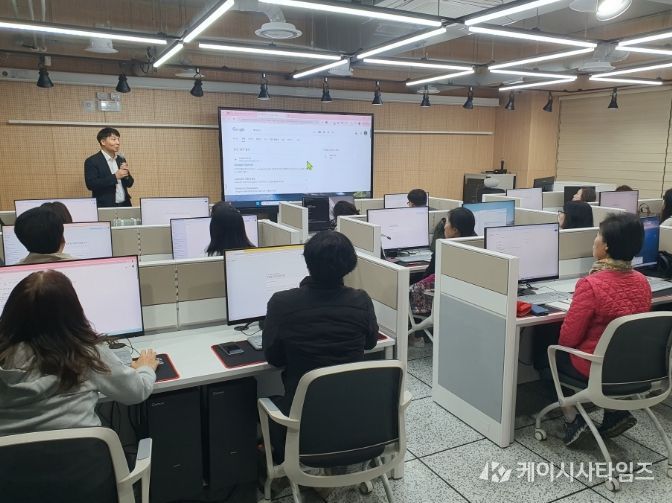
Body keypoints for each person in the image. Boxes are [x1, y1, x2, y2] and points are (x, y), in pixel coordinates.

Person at [263, 231, 378, 462]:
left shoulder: (282, 303)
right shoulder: (361, 300)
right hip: (354, 418)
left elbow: (274, 358)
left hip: (303, 425)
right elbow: (371, 342)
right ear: (350, 265)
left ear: (308, 262)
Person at [0, 270, 158, 436]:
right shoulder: (85, 355)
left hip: (11, 453)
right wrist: (145, 368)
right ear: (72, 313)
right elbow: (136, 392)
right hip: (81, 453)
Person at [558, 213, 651, 446]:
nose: (595, 240)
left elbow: (568, 339)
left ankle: (571, 416)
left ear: (607, 245)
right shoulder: (642, 281)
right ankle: (614, 412)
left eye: (598, 235)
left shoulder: (591, 284)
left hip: (596, 367)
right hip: (632, 366)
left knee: (547, 346)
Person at [409, 208, 477, 345]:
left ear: (455, 230)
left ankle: (413, 337)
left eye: (447, 222)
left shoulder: (443, 251)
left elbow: (427, 277)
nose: (444, 225)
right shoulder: (478, 248)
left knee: (406, 284)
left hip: (439, 300)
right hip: (466, 303)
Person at [84, 127, 134, 207]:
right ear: (103, 142)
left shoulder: (120, 159)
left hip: (125, 204)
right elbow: (91, 184)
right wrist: (115, 177)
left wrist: (126, 175)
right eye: (114, 139)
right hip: (105, 206)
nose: (118, 143)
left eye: (118, 139)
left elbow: (130, 184)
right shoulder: (92, 161)